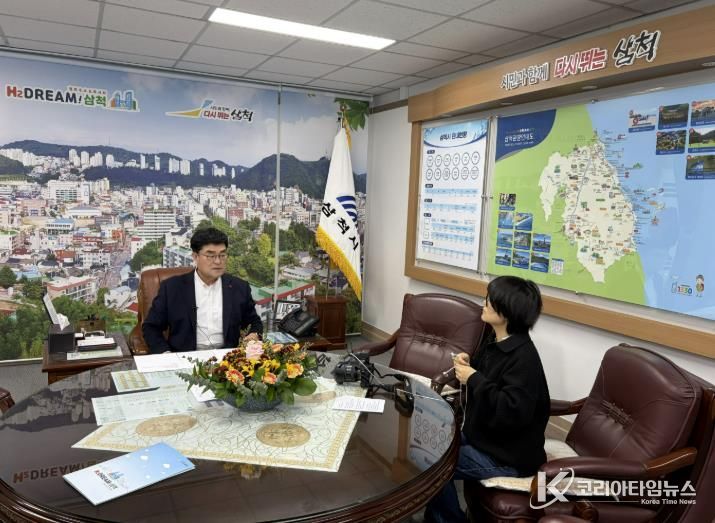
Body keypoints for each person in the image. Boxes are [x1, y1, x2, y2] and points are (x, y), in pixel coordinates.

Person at [424, 276, 550, 523]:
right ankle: (439, 516)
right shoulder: (497, 342)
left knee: (432, 464)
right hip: (484, 438)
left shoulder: (524, 359)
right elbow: (488, 378)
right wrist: (469, 364)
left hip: (507, 457)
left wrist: (474, 378)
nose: (484, 303)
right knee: (426, 442)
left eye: (489, 300)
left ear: (506, 313)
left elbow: (511, 411)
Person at [142, 227, 263, 353]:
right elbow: (151, 327)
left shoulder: (240, 287)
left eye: (222, 255)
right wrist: (166, 354)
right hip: (184, 357)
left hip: (227, 357)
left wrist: (253, 335)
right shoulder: (172, 288)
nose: (218, 261)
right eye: (210, 256)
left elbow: (254, 322)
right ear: (195, 256)